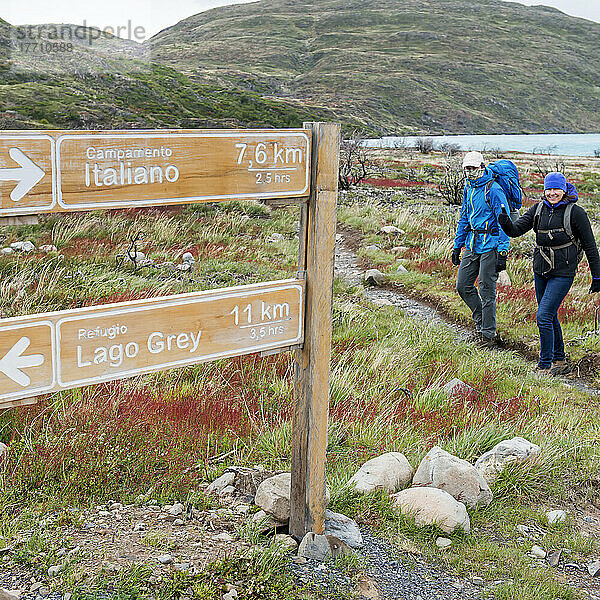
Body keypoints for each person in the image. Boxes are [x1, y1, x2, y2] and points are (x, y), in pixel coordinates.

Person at [499, 172, 600, 375]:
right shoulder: (538, 209)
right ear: (544, 190)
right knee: (550, 315)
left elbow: (590, 246)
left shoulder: (576, 213)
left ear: (564, 190)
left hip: (563, 273)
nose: (552, 193)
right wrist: (506, 223)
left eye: (556, 189)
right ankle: (560, 361)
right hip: (541, 270)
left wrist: (597, 276)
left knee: (543, 316)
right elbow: (516, 230)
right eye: (549, 189)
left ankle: (545, 365)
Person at [452, 151, 510, 347]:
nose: (469, 172)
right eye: (466, 169)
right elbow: (464, 218)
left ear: (482, 167)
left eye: (473, 168)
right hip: (472, 244)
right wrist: (457, 245)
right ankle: (481, 323)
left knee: (487, 291)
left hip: (491, 246)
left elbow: (504, 223)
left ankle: (488, 335)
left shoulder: (494, 190)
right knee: (463, 286)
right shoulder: (469, 187)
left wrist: (503, 252)